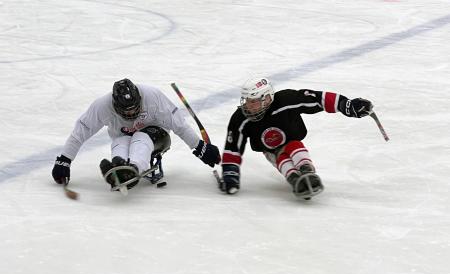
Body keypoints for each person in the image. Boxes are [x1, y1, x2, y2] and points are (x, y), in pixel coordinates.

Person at [52, 78, 220, 190]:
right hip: (123, 135)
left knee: (140, 137)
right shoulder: (103, 106)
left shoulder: (152, 96)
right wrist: (65, 160)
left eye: (135, 107)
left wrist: (199, 147)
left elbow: (179, 124)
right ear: (115, 105)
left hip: (158, 135)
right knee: (120, 142)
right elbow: (82, 129)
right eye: (127, 110)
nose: (132, 113)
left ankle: (133, 170)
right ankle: (119, 169)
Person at [219, 77, 373, 199]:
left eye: (253, 102)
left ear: (266, 99)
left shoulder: (286, 100)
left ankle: (306, 170)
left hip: (293, 141)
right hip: (270, 151)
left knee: (294, 146)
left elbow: (317, 99)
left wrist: (346, 105)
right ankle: (293, 178)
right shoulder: (240, 118)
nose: (248, 106)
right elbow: (233, 147)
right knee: (281, 157)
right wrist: (230, 172)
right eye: (246, 101)